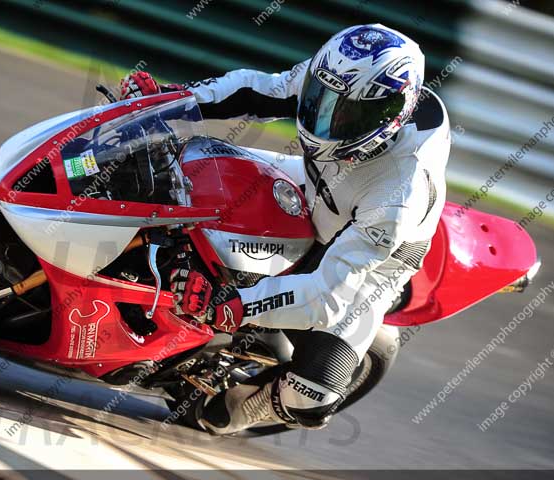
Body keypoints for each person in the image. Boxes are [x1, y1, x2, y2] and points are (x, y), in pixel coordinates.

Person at [119, 24, 450, 434]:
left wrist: (232, 305)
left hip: (365, 255)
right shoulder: (343, 75)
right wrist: (173, 98)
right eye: (321, 100)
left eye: (344, 114)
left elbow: (326, 295)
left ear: (390, 117)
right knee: (177, 169)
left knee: (315, 394)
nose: (324, 117)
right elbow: (259, 90)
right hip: (316, 183)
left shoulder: (400, 194)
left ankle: (246, 408)